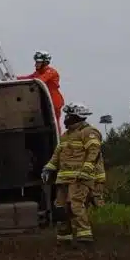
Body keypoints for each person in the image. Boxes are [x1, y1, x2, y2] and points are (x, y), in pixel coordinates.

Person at [41, 103, 103, 246]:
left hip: (80, 178)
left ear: (77, 117)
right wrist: (48, 168)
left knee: (75, 206)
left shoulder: (89, 132)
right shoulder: (66, 135)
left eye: (69, 115)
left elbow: (94, 153)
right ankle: (64, 237)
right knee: (60, 208)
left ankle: (85, 237)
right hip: (63, 178)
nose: (66, 118)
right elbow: (57, 155)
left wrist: (86, 171)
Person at [16, 51, 65, 131]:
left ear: (45, 62)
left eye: (38, 62)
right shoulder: (38, 73)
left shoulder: (51, 72)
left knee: (54, 123)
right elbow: (28, 78)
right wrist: (15, 78)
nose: (35, 64)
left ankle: (57, 140)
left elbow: (41, 80)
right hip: (44, 100)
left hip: (54, 101)